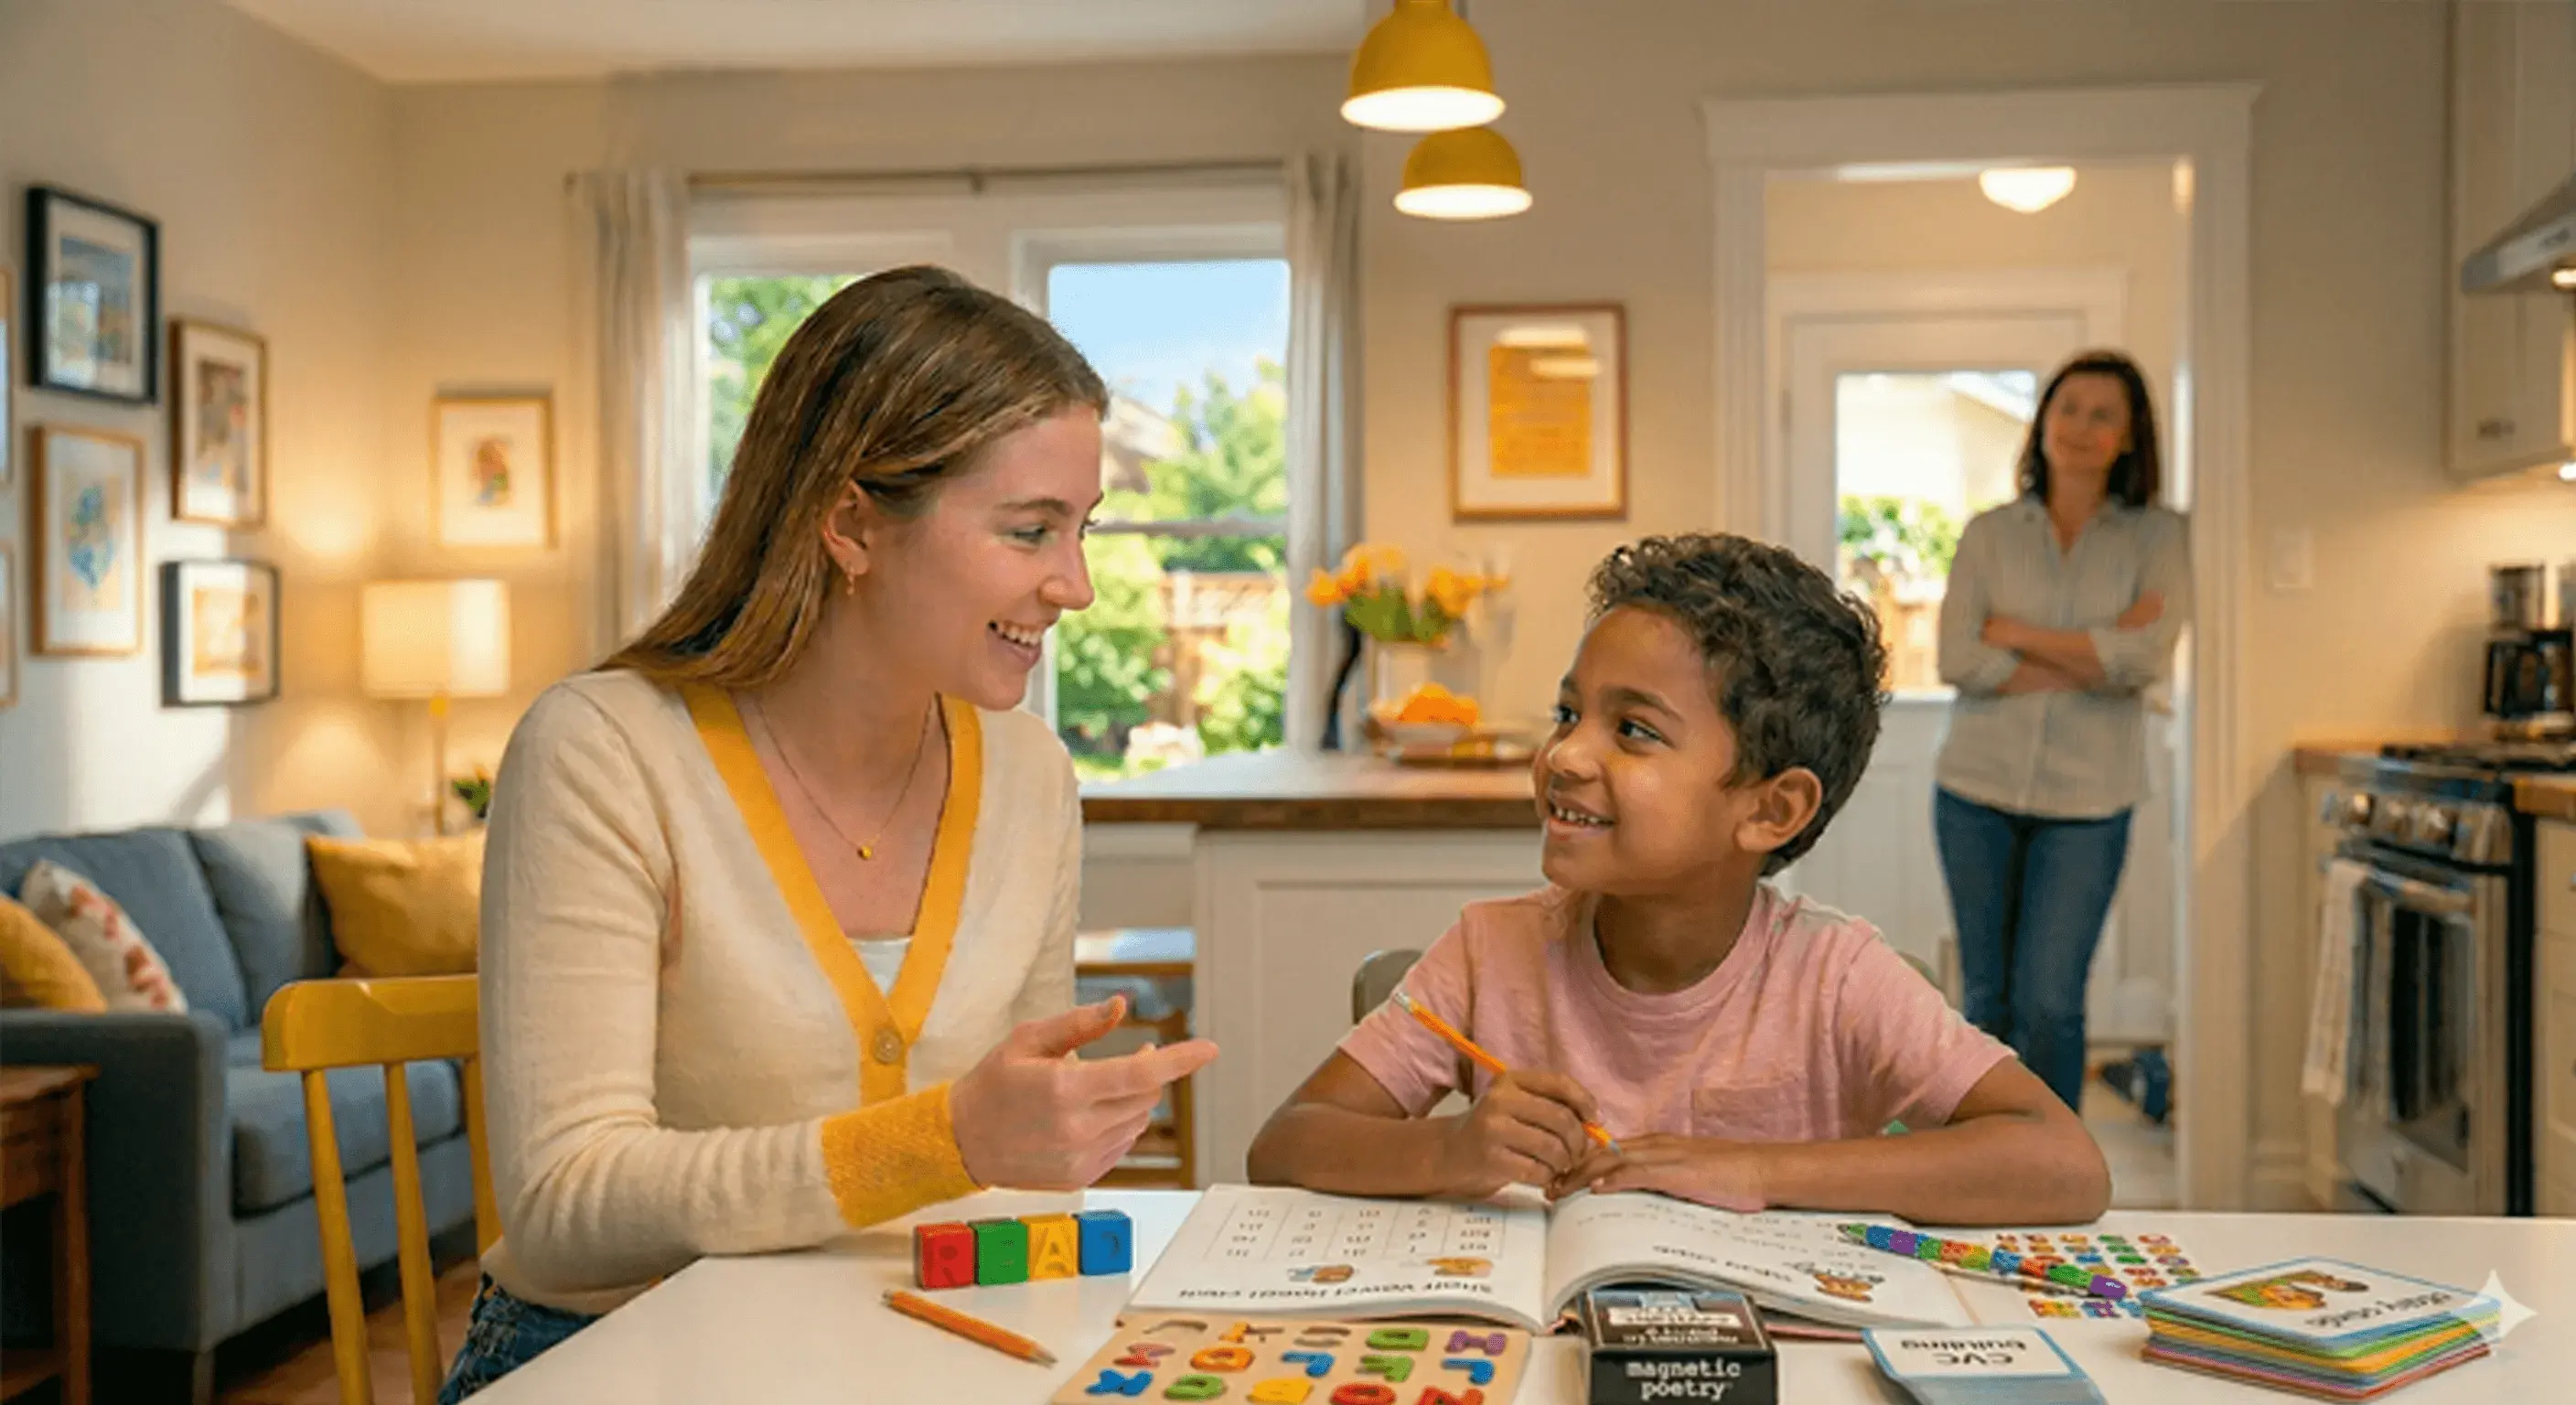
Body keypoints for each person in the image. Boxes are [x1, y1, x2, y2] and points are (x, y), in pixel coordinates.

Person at [444, 266, 1218, 1401]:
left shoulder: (1031, 777)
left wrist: (1049, 1147)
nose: (1076, 585)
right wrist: (942, 1139)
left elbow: (1014, 1185)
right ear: (852, 523)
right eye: (1029, 530)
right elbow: (564, 1209)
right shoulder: (602, 752)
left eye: (1081, 530)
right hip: (614, 1355)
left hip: (904, 1349)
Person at [1244, 535, 2109, 1227]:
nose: (1566, 755)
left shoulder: (1837, 977)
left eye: (1633, 730)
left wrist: (1754, 1167)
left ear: (1771, 812)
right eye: (1567, 714)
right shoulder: (1488, 952)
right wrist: (1450, 1153)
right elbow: (1286, 1145)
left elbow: (2062, 1163)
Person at [1932, 349, 2191, 1113]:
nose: (2080, 427)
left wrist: (2016, 633)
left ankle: (2053, 1166)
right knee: (1988, 999)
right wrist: (2094, 649)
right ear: (2042, 422)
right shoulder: (1989, 534)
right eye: (2067, 408)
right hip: (1973, 790)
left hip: (2089, 802)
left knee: (2050, 999)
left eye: (2102, 414)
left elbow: (2145, 659)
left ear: (2129, 437)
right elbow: (1956, 656)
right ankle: (1984, 1161)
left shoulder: (2159, 538)